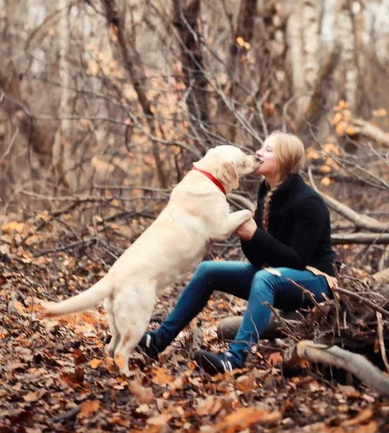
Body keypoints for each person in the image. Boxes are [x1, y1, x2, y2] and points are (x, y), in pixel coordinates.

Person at [137, 131, 337, 375]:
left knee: (265, 278)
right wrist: (248, 237)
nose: (259, 153)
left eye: (268, 150)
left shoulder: (309, 203)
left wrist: (256, 236)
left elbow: (297, 260)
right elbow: (261, 258)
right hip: (277, 276)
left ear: (284, 160)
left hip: (315, 281)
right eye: (261, 148)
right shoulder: (267, 193)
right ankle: (157, 341)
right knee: (208, 269)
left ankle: (234, 358)